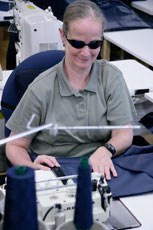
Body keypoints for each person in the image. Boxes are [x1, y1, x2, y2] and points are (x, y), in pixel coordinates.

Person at [5, 0, 136, 180]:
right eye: (77, 43)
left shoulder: (111, 78)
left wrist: (107, 150)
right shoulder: (41, 88)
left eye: (94, 44)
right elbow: (15, 145)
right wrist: (31, 167)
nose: (85, 53)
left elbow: (124, 133)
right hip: (55, 170)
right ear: (62, 36)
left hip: (100, 166)